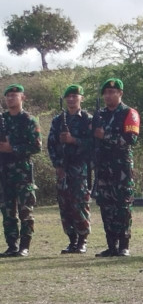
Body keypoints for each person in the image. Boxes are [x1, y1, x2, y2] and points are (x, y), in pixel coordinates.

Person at [91, 78, 139, 257]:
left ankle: (124, 245)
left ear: (120, 93)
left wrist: (106, 136)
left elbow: (131, 139)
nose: (108, 96)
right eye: (106, 93)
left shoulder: (129, 113)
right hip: (103, 167)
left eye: (112, 92)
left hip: (121, 168)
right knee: (106, 206)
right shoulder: (99, 115)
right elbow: (93, 140)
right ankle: (111, 245)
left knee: (123, 205)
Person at [47, 84, 93, 254]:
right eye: (69, 97)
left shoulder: (88, 119)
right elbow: (51, 144)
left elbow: (93, 144)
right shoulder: (58, 120)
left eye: (75, 96)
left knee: (79, 203)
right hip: (62, 168)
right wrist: (57, 164)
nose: (71, 99)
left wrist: (74, 140)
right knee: (64, 205)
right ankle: (72, 239)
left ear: (81, 98)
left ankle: (82, 240)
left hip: (79, 168)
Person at [0, 84, 41, 257]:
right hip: (4, 171)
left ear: (22, 97)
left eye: (14, 95)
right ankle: (12, 245)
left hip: (22, 172)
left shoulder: (29, 120)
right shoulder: (2, 119)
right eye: (8, 96)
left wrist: (13, 148)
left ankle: (24, 246)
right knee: (7, 211)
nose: (10, 98)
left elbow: (36, 146)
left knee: (25, 210)